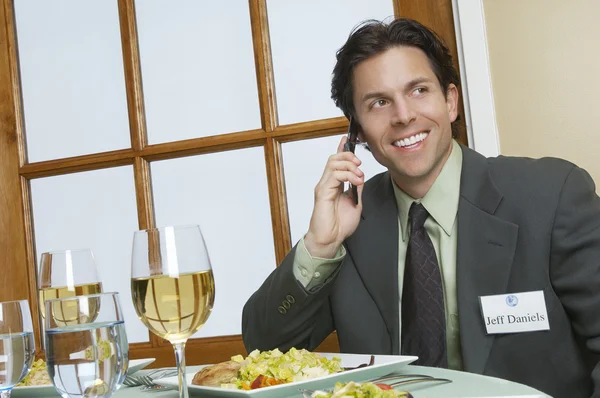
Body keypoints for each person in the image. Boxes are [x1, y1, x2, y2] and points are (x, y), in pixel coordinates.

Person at [241, 17, 600, 398]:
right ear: (358, 133)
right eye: (378, 102)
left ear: (450, 102)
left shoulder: (551, 195)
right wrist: (319, 247)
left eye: (418, 90)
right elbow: (264, 348)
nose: (403, 116)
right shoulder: (350, 222)